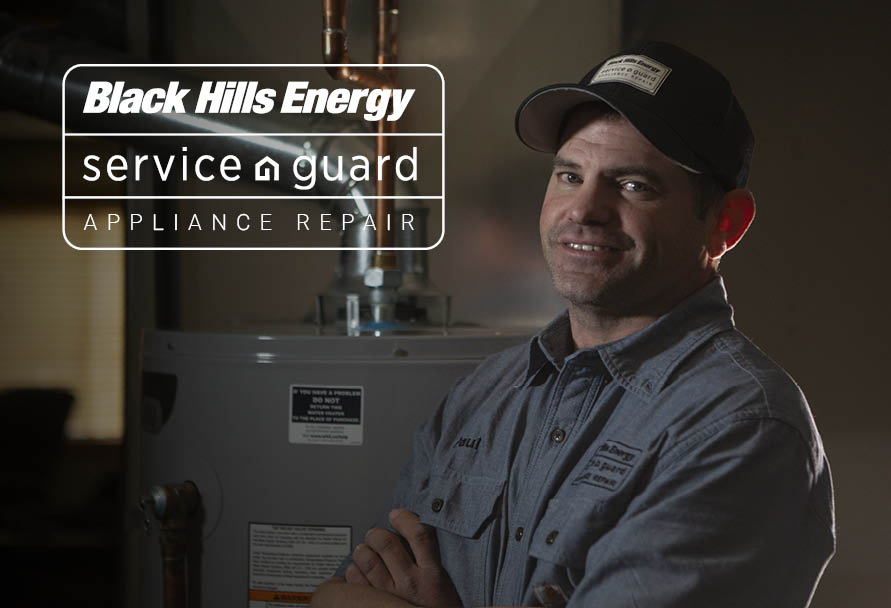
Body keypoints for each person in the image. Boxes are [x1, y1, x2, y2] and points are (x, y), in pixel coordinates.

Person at [310, 41, 836, 608]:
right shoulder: (484, 395)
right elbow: (335, 597)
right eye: (568, 175)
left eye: (634, 184)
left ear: (724, 224)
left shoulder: (740, 428)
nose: (583, 209)